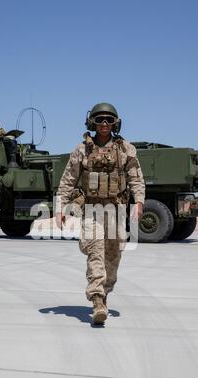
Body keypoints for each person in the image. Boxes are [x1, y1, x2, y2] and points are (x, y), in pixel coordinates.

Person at [56, 103, 145, 325]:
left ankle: (104, 293)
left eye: (108, 120)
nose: (104, 124)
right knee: (95, 250)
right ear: (92, 122)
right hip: (91, 209)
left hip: (116, 209)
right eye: (99, 120)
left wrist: (139, 201)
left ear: (115, 123)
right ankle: (96, 299)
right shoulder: (82, 150)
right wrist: (60, 206)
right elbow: (68, 179)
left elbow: (135, 176)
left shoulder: (125, 149)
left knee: (114, 254)